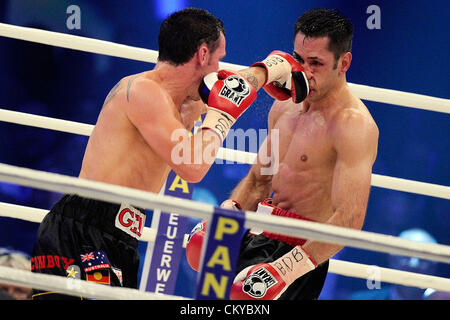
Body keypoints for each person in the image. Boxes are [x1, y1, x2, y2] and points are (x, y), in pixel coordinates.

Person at [31, 8, 308, 299]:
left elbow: (231, 88)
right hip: (82, 231)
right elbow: (193, 166)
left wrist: (270, 69)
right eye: (219, 58)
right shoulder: (143, 92)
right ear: (202, 54)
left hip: (119, 237)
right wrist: (222, 116)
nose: (220, 65)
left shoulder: (183, 102)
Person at [187, 8, 379, 300]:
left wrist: (284, 270)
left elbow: (349, 219)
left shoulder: (353, 125)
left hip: (300, 254)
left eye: (316, 63)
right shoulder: (284, 107)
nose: (304, 72)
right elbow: (258, 181)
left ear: (344, 63)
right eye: (299, 60)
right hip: (255, 233)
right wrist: (227, 220)